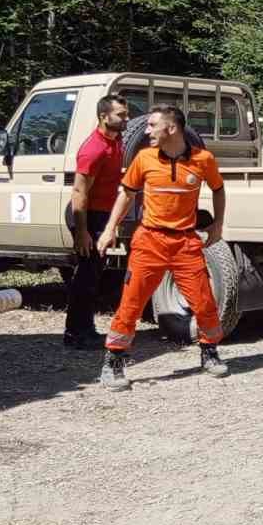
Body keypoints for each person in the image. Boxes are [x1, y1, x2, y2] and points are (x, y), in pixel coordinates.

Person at [94, 104, 229, 390]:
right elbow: (126, 195)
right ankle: (114, 361)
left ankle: (209, 352)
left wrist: (217, 224)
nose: (146, 130)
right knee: (131, 302)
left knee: (204, 301)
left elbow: (218, 189)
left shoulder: (203, 160)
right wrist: (109, 229)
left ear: (171, 128)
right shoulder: (144, 158)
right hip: (149, 241)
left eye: (152, 125)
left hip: (185, 242)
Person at [61, 95, 129, 348]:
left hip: (101, 214)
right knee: (86, 277)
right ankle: (75, 334)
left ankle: (85, 328)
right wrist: (82, 232)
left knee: (93, 275)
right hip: (85, 215)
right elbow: (79, 192)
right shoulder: (93, 149)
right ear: (104, 117)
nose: (126, 118)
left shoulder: (117, 139)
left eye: (126, 113)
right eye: (121, 114)